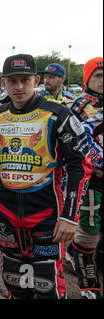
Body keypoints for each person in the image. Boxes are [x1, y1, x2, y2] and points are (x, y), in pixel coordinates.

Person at [0, 54, 92, 299]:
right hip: (7, 211)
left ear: (36, 80)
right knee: (14, 280)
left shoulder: (58, 114)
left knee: (47, 284)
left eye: (25, 80)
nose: (19, 86)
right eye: (13, 81)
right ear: (4, 83)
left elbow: (81, 165)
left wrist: (69, 217)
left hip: (47, 212)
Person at [65, 56, 103, 299]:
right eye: (98, 76)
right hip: (92, 178)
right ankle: (89, 285)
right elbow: (72, 144)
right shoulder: (78, 106)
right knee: (89, 232)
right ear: (88, 79)